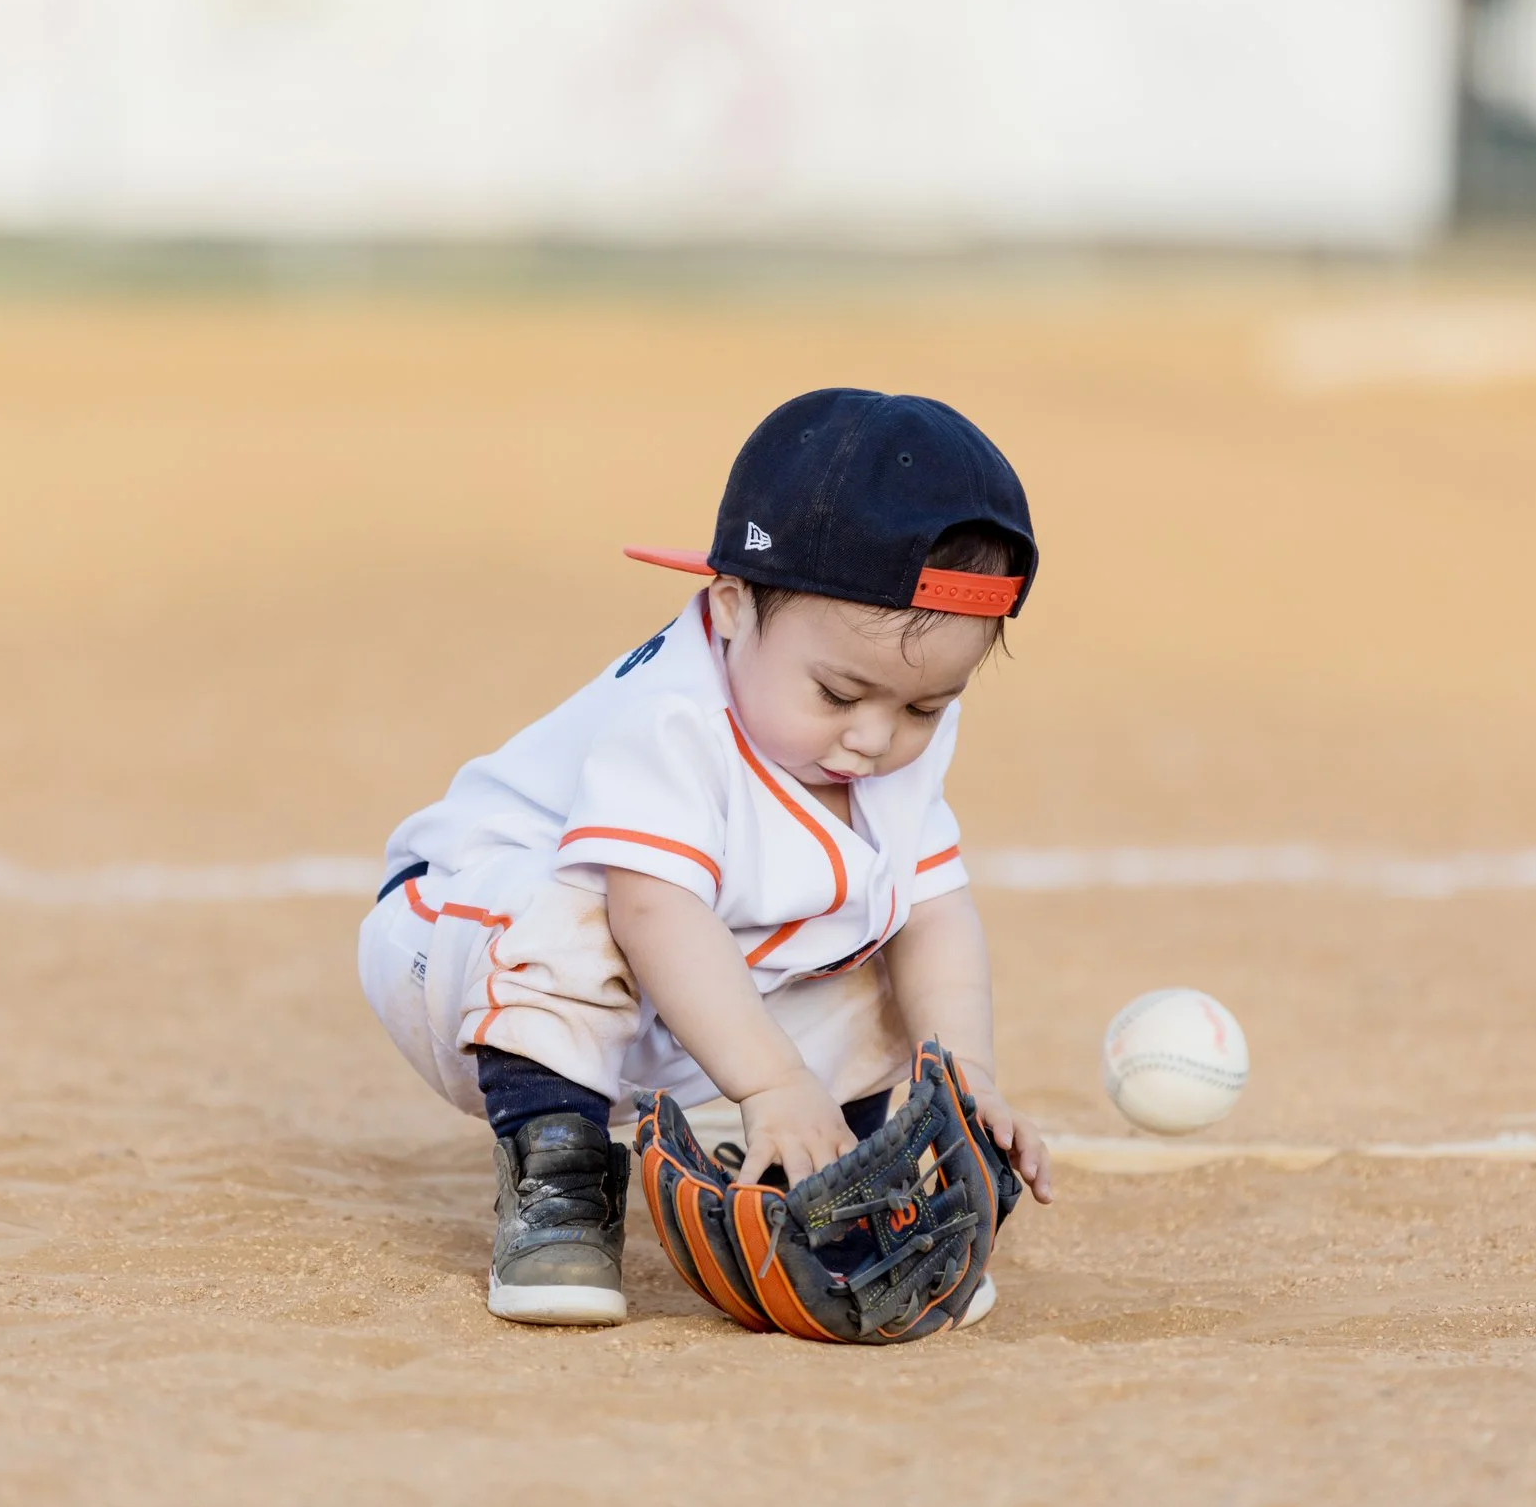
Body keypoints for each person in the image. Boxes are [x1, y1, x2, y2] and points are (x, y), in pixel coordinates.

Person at [356, 387, 1056, 1328]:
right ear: (730, 606)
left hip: (670, 986)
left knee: (869, 963)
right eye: (840, 690)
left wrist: (964, 1074)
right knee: (586, 905)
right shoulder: (676, 717)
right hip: (463, 949)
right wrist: (773, 1082)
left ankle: (829, 1193)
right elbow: (655, 912)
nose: (874, 737)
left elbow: (932, 908)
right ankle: (557, 1178)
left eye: (922, 707)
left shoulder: (882, 732)